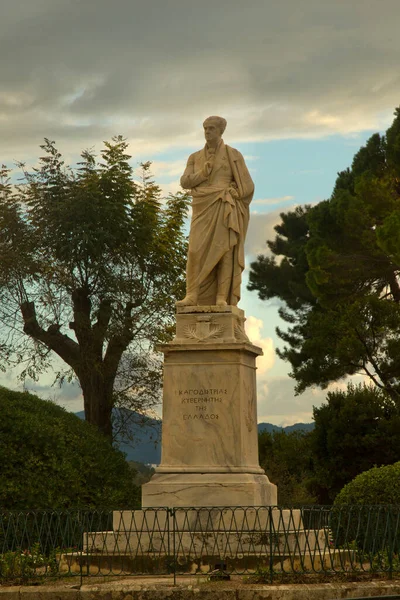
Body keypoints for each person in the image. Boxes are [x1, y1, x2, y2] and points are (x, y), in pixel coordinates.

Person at [177, 116, 254, 307]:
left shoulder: (233, 155)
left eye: (211, 128)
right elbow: (185, 182)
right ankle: (192, 295)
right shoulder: (194, 157)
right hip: (202, 207)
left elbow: (248, 185)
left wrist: (237, 192)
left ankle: (221, 297)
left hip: (224, 205)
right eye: (205, 128)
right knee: (195, 250)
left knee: (225, 250)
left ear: (221, 131)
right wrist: (202, 174)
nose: (207, 132)